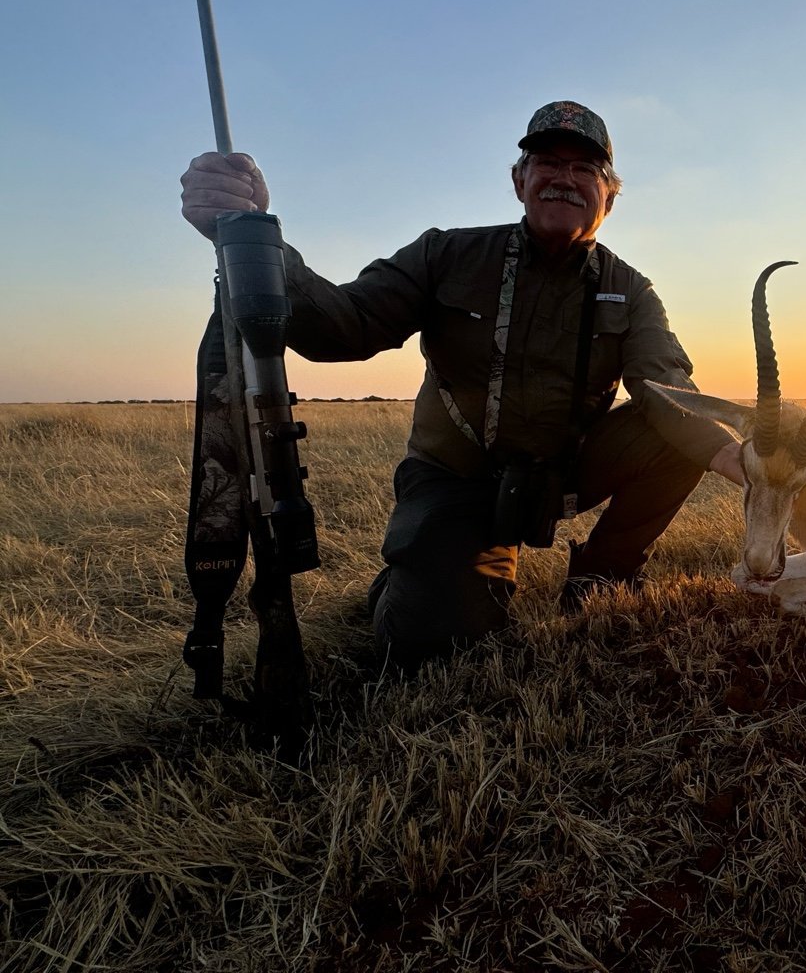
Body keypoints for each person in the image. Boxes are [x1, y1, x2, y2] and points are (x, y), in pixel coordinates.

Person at [181, 101, 742, 670]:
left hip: (561, 473)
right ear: (519, 180)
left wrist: (741, 457)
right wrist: (254, 243)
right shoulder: (444, 254)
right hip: (458, 481)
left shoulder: (633, 290)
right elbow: (345, 326)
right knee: (436, 647)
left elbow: (668, 391)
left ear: (609, 196)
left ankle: (603, 573)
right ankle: (416, 574)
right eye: (547, 161)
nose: (564, 178)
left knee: (680, 435)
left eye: (585, 169)